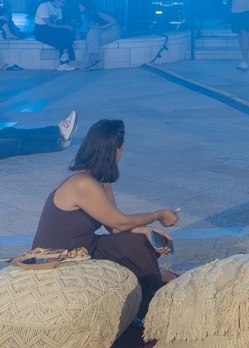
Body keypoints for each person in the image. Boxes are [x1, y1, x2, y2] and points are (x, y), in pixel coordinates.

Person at [31, 120, 179, 319]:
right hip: (60, 256)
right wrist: (158, 215)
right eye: (122, 147)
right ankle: (149, 304)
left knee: (139, 242)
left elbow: (114, 226)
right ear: (113, 150)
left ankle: (147, 296)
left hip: (85, 248)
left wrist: (146, 230)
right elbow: (121, 222)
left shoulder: (101, 181)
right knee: (137, 245)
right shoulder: (82, 183)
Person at [32, 0, 78, 70]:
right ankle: (67, 61)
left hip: (51, 29)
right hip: (41, 31)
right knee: (62, 39)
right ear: (56, 0)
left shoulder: (58, 8)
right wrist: (66, 27)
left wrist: (69, 28)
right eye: (62, 2)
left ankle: (66, 61)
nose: (63, 5)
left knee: (68, 34)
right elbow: (49, 24)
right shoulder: (44, 6)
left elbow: (59, 23)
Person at [74, 0, 118, 70]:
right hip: (102, 31)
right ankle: (93, 61)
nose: (78, 7)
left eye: (79, 4)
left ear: (85, 5)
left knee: (91, 38)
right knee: (92, 37)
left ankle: (89, 62)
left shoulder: (98, 12)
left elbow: (113, 22)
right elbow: (90, 28)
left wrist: (100, 28)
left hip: (113, 30)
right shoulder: (87, 15)